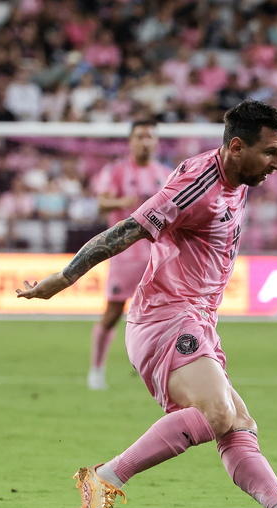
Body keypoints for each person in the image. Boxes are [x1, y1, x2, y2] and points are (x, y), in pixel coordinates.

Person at [16, 100, 277, 508]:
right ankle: (105, 477)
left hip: (195, 318)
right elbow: (125, 231)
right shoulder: (197, 185)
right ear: (236, 147)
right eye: (271, 152)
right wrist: (61, 279)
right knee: (215, 412)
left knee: (238, 423)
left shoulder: (239, 177)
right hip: (165, 316)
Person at [87, 119, 172, 390]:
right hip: (124, 254)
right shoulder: (116, 171)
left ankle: (164, 372)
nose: (145, 141)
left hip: (159, 254)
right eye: (140, 136)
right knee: (113, 312)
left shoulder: (166, 174)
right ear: (131, 141)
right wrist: (123, 202)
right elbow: (101, 203)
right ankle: (96, 370)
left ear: (156, 141)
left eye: (149, 136)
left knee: (168, 314)